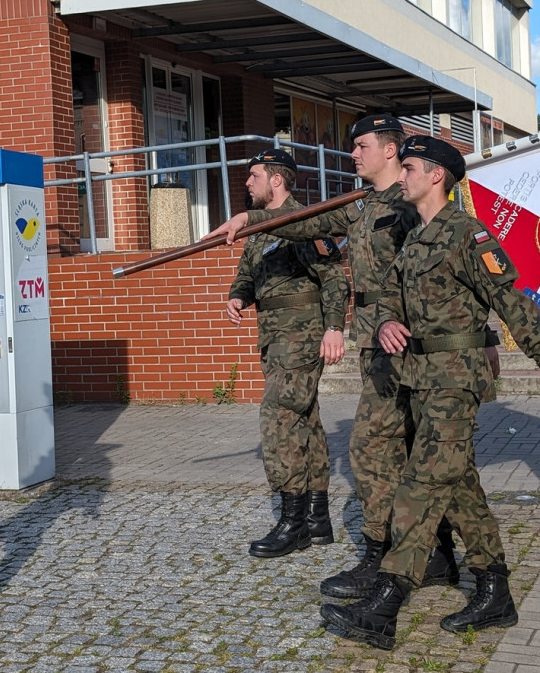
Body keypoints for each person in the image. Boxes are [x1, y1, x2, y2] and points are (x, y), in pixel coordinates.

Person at [318, 135, 540, 651]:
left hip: (454, 381)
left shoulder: (469, 235)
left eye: (411, 168)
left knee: (420, 483)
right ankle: (494, 591)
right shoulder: (415, 239)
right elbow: (394, 301)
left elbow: (514, 304)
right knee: (460, 486)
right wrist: (387, 324)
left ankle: (387, 602)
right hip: (419, 377)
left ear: (437, 175)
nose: (402, 177)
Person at [207, 116, 492, 594]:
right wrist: (248, 219)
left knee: (407, 454)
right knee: (388, 451)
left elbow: (460, 276)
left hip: (426, 354)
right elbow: (304, 221)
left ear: (389, 151)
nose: (352, 155)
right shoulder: (358, 207)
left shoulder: (413, 205)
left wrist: (484, 340)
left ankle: (430, 558)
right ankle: (414, 556)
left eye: (360, 146)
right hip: (382, 350)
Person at [226, 149, 349, 558]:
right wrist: (238, 297)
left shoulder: (304, 221)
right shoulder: (261, 230)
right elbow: (247, 273)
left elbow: (333, 279)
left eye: (254, 175)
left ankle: (291, 520)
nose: (248, 183)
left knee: (278, 419)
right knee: (304, 419)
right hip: (273, 339)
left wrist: (334, 328)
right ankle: (316, 518)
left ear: (277, 180)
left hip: (302, 337)